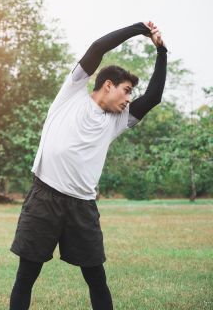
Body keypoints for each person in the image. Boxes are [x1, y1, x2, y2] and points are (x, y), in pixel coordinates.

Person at [9, 21, 167, 310]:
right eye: (127, 90)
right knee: (26, 276)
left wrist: (162, 51)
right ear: (108, 85)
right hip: (44, 198)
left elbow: (154, 97)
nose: (129, 99)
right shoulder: (71, 93)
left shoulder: (117, 121)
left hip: (82, 207)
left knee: (96, 277)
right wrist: (138, 28)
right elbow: (97, 48)